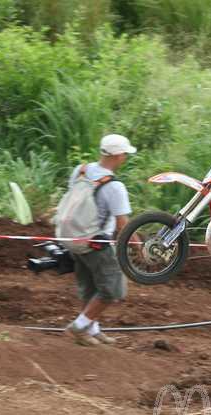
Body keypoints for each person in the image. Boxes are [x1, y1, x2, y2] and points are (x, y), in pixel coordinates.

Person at [64, 134, 136, 346]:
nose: (125, 158)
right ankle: (78, 327)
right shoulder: (115, 187)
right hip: (97, 243)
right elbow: (124, 224)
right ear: (117, 156)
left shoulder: (81, 170)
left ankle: (92, 330)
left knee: (90, 287)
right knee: (112, 289)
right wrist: (138, 246)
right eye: (124, 154)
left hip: (73, 237)